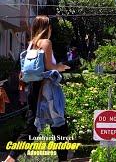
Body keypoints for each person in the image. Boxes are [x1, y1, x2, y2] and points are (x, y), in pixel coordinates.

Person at [4, 15, 70, 162]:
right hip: (47, 90)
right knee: (59, 125)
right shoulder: (46, 42)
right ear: (48, 28)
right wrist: (61, 67)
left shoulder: (31, 44)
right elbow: (49, 67)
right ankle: (63, 159)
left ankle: (11, 157)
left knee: (33, 126)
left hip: (34, 89)